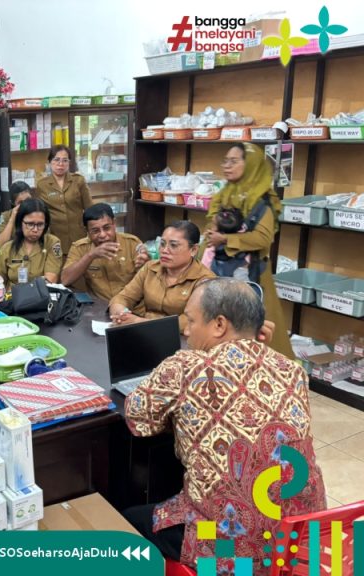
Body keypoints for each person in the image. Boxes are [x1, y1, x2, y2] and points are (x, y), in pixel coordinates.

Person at [123, 278, 325, 570]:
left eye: (191, 321)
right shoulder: (293, 370)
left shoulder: (184, 367)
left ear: (219, 324)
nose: (187, 331)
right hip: (300, 541)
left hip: (232, 548)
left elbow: (137, 418)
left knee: (126, 520)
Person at [204, 143, 294, 358]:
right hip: (219, 269)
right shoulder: (225, 193)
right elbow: (213, 221)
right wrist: (213, 229)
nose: (227, 166)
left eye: (234, 161)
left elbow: (262, 239)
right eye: (225, 161)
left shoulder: (263, 201)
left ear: (251, 164)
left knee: (252, 330)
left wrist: (225, 238)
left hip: (251, 276)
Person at [109, 221, 214, 331]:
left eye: (173, 245)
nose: (164, 250)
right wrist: (123, 315)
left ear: (193, 250)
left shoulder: (206, 281)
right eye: (162, 244)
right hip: (144, 333)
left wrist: (138, 322)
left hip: (181, 338)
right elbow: (123, 297)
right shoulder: (150, 268)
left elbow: (191, 321)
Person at [61, 203, 149, 301]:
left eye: (107, 228)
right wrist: (91, 255)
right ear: (87, 231)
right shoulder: (80, 248)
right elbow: (65, 280)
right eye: (95, 231)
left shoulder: (132, 243)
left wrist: (146, 264)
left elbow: (147, 280)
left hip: (131, 304)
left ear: (114, 224)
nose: (102, 235)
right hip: (101, 307)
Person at [33, 145, 93, 256]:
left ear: (69, 163)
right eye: (56, 160)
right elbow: (40, 213)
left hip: (79, 235)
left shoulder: (78, 181)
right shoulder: (42, 185)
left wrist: (92, 232)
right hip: (55, 237)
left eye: (65, 160)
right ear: (50, 162)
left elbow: (90, 209)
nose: (60, 164)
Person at [0, 198, 63, 289]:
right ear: (20, 223)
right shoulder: (7, 248)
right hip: (12, 296)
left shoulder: (52, 243)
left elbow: (51, 279)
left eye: (40, 224)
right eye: (30, 224)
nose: (35, 230)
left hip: (41, 294)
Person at [0, 181, 33, 248]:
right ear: (13, 203)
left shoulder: (39, 213)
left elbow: (45, 241)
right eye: (20, 202)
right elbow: (0, 244)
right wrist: (12, 218)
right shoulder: (6, 216)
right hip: (14, 252)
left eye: (28, 200)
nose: (26, 204)